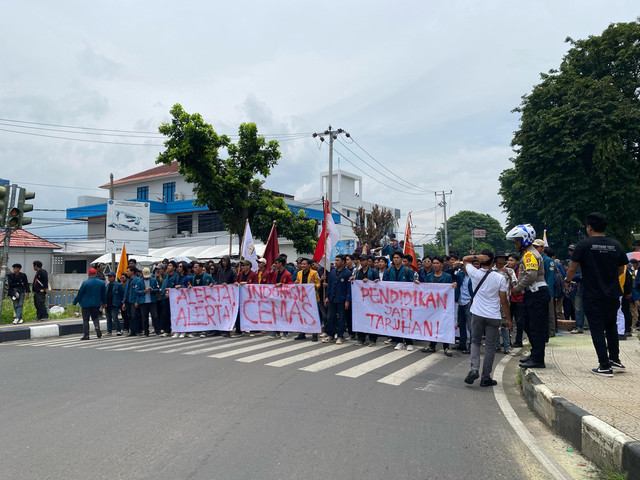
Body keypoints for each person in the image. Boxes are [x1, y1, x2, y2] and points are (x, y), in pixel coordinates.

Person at [564, 212, 628, 377]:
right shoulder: (616, 245)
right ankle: (615, 359)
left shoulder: (584, 245)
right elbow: (621, 270)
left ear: (589, 227)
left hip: (593, 294)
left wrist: (567, 281)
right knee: (611, 326)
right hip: (612, 293)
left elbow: (572, 268)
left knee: (597, 328)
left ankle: (604, 365)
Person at [462, 251, 510, 387]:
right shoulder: (499, 277)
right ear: (493, 262)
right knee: (490, 346)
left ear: (481, 261)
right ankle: (485, 377)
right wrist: (508, 318)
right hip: (494, 315)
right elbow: (503, 300)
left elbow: (465, 259)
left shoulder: (474, 273)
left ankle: (474, 369)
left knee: (475, 342)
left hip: (477, 314)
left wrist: (475, 257)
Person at [506, 224, 549, 369]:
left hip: (536, 294)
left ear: (524, 239)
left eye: (517, 240)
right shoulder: (527, 253)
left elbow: (531, 275)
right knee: (527, 324)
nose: (515, 243)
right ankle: (535, 353)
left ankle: (538, 358)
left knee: (535, 326)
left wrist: (517, 288)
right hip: (532, 294)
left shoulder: (530, 254)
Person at [383, 250, 420, 350]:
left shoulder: (408, 271)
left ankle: (409, 342)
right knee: (396, 321)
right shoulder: (388, 271)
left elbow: (412, 284)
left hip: (405, 300)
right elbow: (384, 284)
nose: (396, 260)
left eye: (398, 258)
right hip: (393, 300)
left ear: (401, 259)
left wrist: (415, 282)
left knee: (407, 321)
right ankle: (399, 341)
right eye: (394, 258)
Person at [422, 255, 455, 356]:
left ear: (442, 265)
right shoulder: (429, 276)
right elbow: (425, 290)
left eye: (437, 263)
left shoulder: (447, 277)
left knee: (444, 325)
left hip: (443, 306)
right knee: (433, 325)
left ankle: (446, 347)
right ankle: (432, 345)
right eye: (434, 263)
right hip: (432, 306)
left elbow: (450, 292)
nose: (435, 265)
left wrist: (453, 287)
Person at [350, 254, 379, 346]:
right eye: (360, 261)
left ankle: (372, 339)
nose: (362, 262)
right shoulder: (358, 272)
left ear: (368, 261)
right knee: (360, 318)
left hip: (371, 300)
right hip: (361, 300)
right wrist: (352, 280)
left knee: (372, 319)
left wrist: (370, 281)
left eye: (363, 260)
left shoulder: (374, 271)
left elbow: (378, 284)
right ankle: (361, 338)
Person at [493, 251, 518, 355]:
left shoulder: (510, 270)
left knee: (505, 323)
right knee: (494, 324)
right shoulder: (492, 271)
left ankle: (507, 346)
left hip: (505, 301)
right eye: (499, 258)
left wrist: (508, 274)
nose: (502, 260)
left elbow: (515, 283)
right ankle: (497, 345)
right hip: (493, 302)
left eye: (503, 258)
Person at [323, 254, 352, 344]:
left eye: (338, 260)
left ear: (343, 262)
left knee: (341, 318)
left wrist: (347, 300)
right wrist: (327, 297)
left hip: (342, 299)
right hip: (332, 298)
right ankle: (331, 335)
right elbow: (330, 285)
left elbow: (349, 288)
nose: (336, 262)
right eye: (335, 260)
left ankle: (340, 335)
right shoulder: (332, 272)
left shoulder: (347, 273)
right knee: (330, 317)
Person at [73, 268, 106, 340]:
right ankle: (97, 326)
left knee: (85, 320)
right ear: (96, 274)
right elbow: (103, 294)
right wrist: (104, 303)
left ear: (89, 274)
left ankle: (86, 335)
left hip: (85, 304)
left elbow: (80, 294)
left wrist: (74, 302)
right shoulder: (101, 283)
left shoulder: (85, 283)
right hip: (96, 304)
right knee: (95, 317)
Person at [293, 258, 321, 342]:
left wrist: (315, 286)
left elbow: (318, 283)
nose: (303, 265)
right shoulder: (299, 273)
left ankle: (314, 334)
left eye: (305, 264)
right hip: (302, 298)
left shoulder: (314, 273)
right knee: (302, 315)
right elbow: (297, 282)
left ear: (309, 265)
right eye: (302, 264)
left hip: (312, 297)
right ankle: (302, 333)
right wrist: (296, 283)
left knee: (313, 315)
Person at [269, 257, 293, 338]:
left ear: (281, 264)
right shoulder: (275, 273)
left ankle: (285, 331)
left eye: (276, 263)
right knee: (276, 314)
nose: (275, 265)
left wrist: (282, 284)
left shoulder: (287, 274)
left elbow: (290, 284)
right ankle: (276, 331)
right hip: (276, 296)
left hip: (284, 297)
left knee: (284, 314)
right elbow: (272, 282)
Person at [507, 253, 526, 348]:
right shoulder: (507, 270)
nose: (509, 262)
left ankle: (518, 340)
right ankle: (507, 341)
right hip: (509, 299)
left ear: (517, 262)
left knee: (519, 321)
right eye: (509, 260)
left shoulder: (520, 270)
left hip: (519, 298)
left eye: (512, 260)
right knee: (507, 320)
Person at [136, 267, 159, 336]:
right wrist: (143, 291)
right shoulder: (139, 281)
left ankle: (157, 330)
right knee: (144, 317)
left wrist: (153, 290)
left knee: (154, 316)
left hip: (152, 301)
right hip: (143, 301)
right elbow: (136, 291)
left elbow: (157, 289)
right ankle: (146, 331)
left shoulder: (154, 280)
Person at [160, 261, 179, 336]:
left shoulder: (176, 276)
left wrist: (171, 291)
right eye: (168, 265)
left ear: (174, 267)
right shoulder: (166, 276)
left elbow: (176, 287)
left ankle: (175, 329)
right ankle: (167, 330)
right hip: (165, 297)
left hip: (173, 298)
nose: (168, 267)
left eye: (170, 266)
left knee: (174, 314)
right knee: (165, 314)